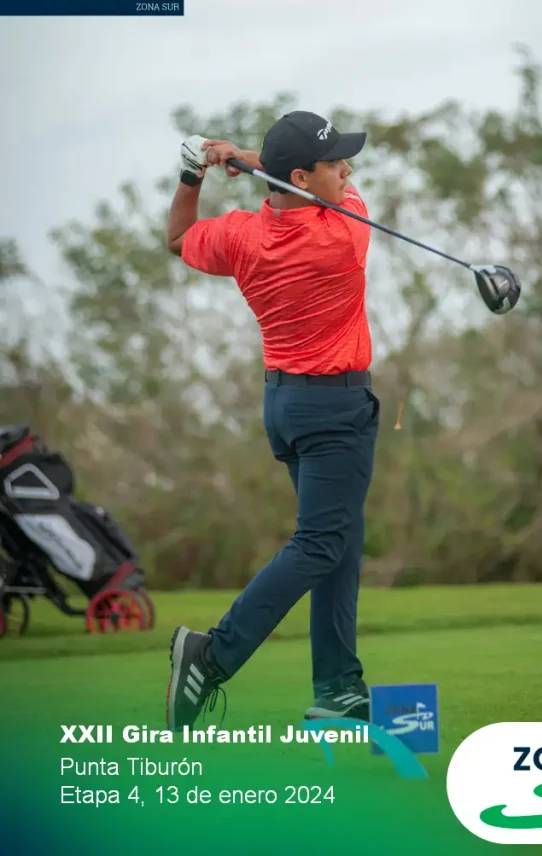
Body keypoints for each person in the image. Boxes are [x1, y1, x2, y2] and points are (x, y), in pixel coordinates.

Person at [164, 110, 380, 732]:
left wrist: (193, 174)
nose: (347, 171)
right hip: (335, 411)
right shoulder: (344, 231)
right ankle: (212, 655)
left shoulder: (240, 235)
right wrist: (246, 157)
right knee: (321, 542)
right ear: (301, 178)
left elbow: (179, 237)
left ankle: (338, 687)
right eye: (335, 162)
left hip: (285, 407)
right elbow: (328, 190)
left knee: (338, 540)